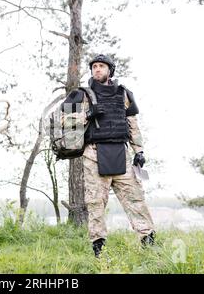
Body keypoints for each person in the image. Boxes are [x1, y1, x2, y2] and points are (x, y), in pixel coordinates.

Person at [65, 54, 156, 258]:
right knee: (96, 203)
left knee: (136, 199)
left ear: (110, 70)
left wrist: (139, 150)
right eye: (94, 67)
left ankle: (149, 243)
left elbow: (132, 124)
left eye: (101, 66)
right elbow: (63, 120)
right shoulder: (82, 95)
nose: (97, 69)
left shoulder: (123, 94)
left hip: (121, 155)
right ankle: (99, 250)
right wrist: (88, 115)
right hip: (94, 154)